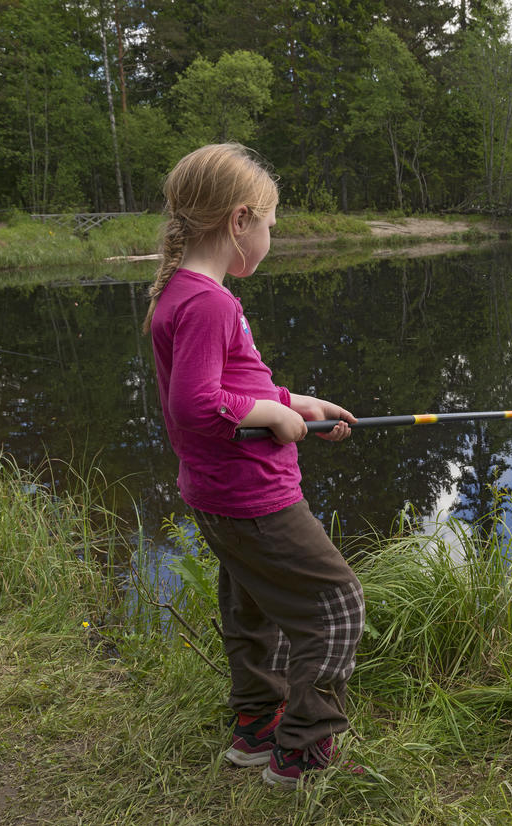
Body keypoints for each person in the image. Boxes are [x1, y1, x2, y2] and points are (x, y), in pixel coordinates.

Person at [144, 143, 365, 788]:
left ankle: (255, 727)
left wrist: (296, 402)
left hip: (219, 494)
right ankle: (301, 748)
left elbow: (227, 382)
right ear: (240, 221)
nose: (271, 236)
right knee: (336, 601)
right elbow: (195, 405)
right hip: (254, 496)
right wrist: (269, 417)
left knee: (253, 606)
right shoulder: (210, 303)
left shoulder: (185, 293)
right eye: (270, 224)